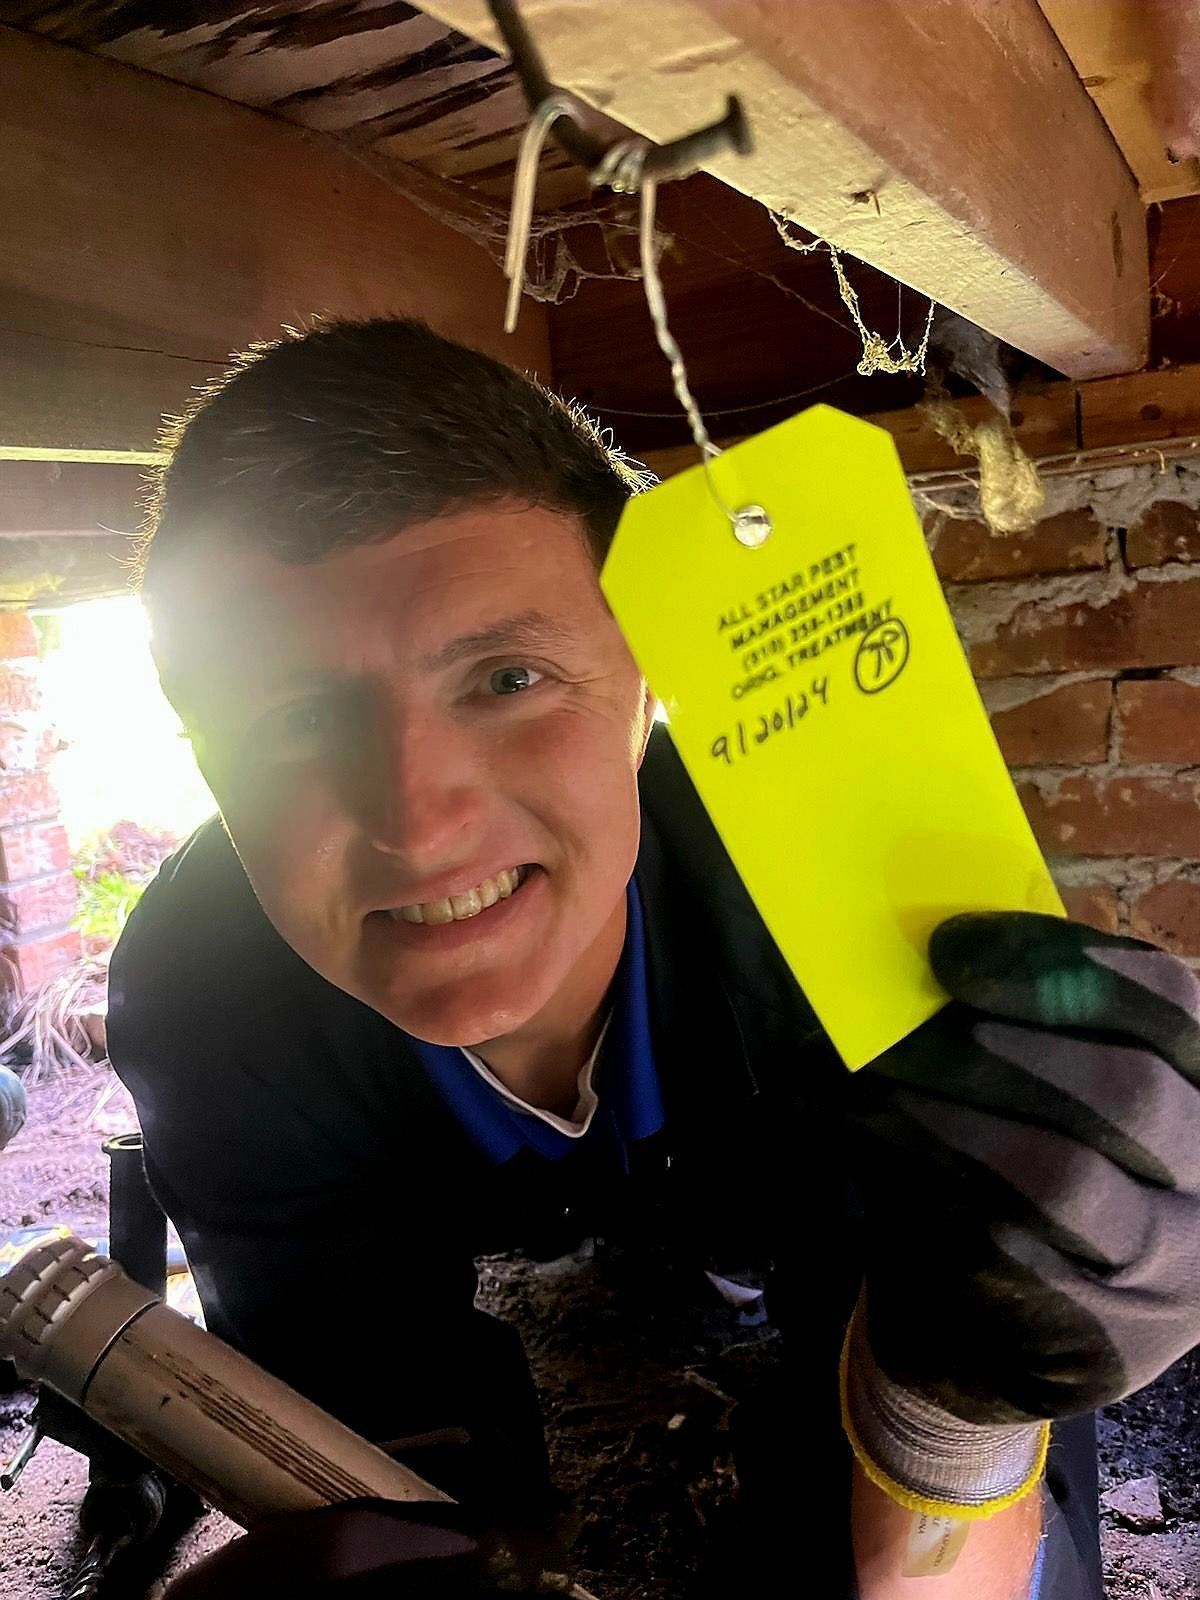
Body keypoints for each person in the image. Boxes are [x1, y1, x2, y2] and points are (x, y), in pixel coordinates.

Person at [107, 318, 1200, 1600]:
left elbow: (937, 1440)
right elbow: (363, 1422)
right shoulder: (199, 992)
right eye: (292, 718)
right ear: (201, 753)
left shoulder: (801, 873)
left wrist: (963, 1403)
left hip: (750, 1162)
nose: (414, 819)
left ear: (643, 686)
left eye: (509, 675)